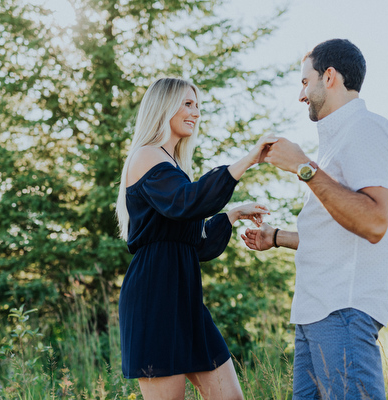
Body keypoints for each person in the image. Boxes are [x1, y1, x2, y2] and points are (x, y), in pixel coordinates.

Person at [242, 39, 388, 400]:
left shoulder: (366, 129)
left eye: (305, 81)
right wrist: (276, 237)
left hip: (343, 313)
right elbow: (340, 229)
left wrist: (303, 167)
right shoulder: (336, 143)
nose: (301, 94)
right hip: (316, 314)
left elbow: (375, 222)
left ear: (329, 76)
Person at [116, 77, 277, 400]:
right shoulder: (148, 156)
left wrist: (231, 215)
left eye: (197, 105)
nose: (196, 112)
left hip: (185, 300)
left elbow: (196, 244)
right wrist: (247, 159)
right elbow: (189, 202)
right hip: (155, 298)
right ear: (163, 107)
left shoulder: (174, 165)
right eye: (187, 104)